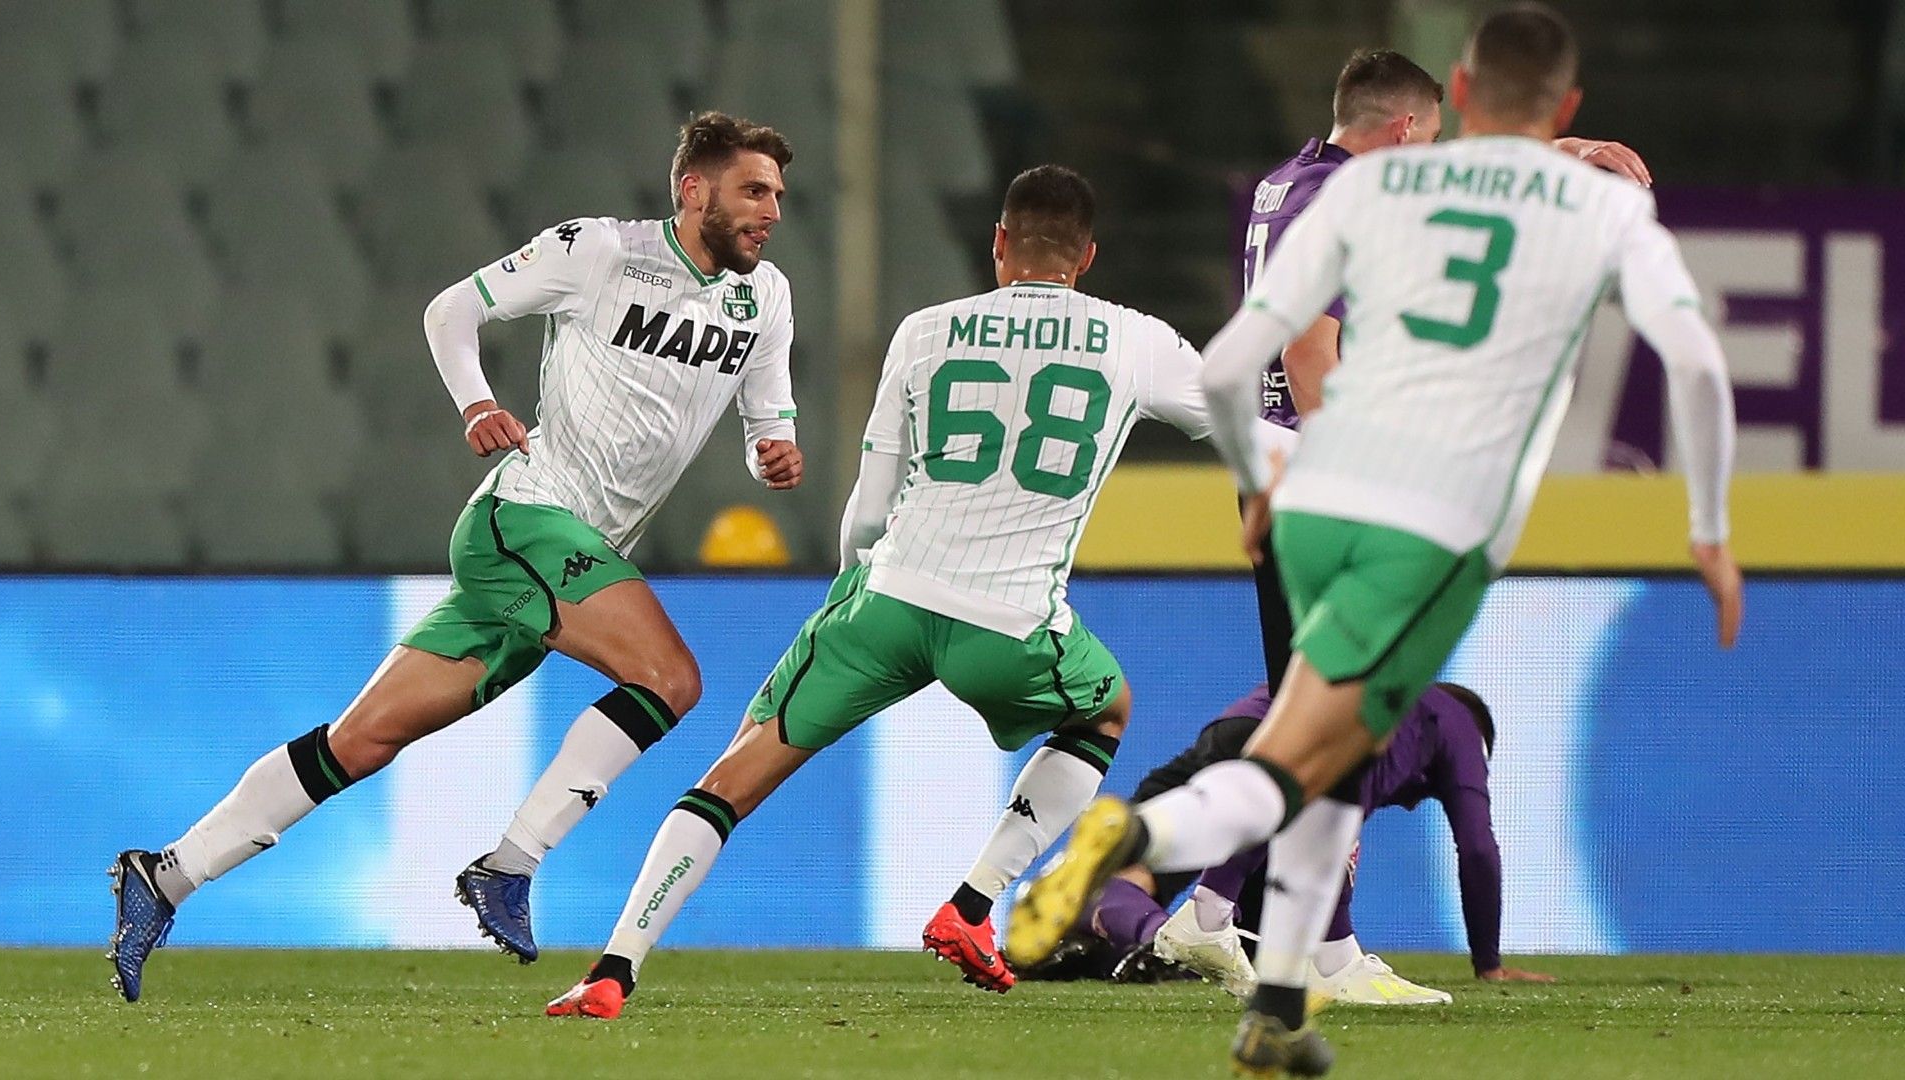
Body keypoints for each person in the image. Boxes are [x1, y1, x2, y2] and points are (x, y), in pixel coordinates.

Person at [1009, 6, 1742, 1075]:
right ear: (1560, 106)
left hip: (1297, 495)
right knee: (1333, 744)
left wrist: (1265, 476)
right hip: (1413, 508)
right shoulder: (1553, 212)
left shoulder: (1332, 188)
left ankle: (1266, 980)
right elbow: (1699, 367)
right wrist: (1712, 535)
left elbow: (1229, 368)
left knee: (1310, 743)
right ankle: (1175, 865)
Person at [541, 164, 1276, 1020]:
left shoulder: (925, 332)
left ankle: (613, 968)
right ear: (1089, 257)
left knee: (732, 774)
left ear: (999, 244)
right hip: (1008, 621)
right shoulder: (1134, 339)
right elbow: (1241, 426)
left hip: (888, 598)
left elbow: (867, 509)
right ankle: (972, 905)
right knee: (1104, 710)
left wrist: (849, 598)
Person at [107, 113, 805, 1002]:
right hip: (526, 522)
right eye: (754, 191)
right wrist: (478, 405)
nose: (771, 211)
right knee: (671, 680)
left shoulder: (766, 298)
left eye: (778, 196)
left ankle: (162, 875)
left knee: (361, 740)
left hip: (567, 559)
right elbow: (451, 310)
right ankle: (512, 864)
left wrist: (771, 454)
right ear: (693, 190)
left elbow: (766, 421)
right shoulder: (599, 251)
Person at [1240, 48, 1648, 696]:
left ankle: (1242, 793)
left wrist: (1555, 151)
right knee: (1331, 704)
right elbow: (1307, 352)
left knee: (1306, 694)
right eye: (1429, 138)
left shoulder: (1294, 178)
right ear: (1403, 130)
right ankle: (1197, 797)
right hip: (1316, 463)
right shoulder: (1341, 197)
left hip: (1275, 456)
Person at [1022, 680, 1553, 1004]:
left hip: (1227, 736)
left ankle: (1138, 929)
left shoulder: (1358, 675)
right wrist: (1488, 960)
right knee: (1304, 844)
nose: (1417, 801)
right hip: (1282, 764)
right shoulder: (1451, 719)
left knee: (1139, 876)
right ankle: (1182, 939)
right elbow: (1477, 846)